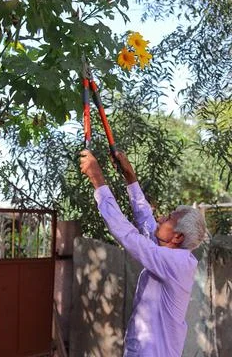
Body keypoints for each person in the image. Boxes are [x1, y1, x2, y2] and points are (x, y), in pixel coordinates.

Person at [80, 149, 206, 357]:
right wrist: (130, 177)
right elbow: (146, 219)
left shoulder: (176, 263)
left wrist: (98, 179)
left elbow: (127, 234)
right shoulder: (167, 253)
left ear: (178, 237)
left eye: (169, 219)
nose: (162, 218)